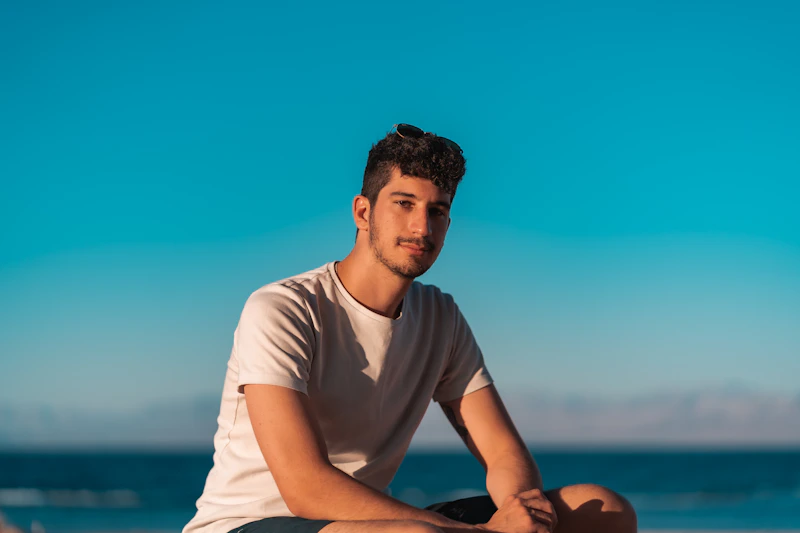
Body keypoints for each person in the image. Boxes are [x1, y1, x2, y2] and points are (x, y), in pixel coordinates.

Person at [183, 124, 638, 533]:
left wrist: (521, 513)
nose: (422, 226)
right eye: (404, 204)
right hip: (250, 523)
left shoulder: (440, 316)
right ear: (363, 213)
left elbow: (502, 453)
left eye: (437, 211)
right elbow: (305, 487)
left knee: (603, 510)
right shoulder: (284, 309)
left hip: (370, 522)